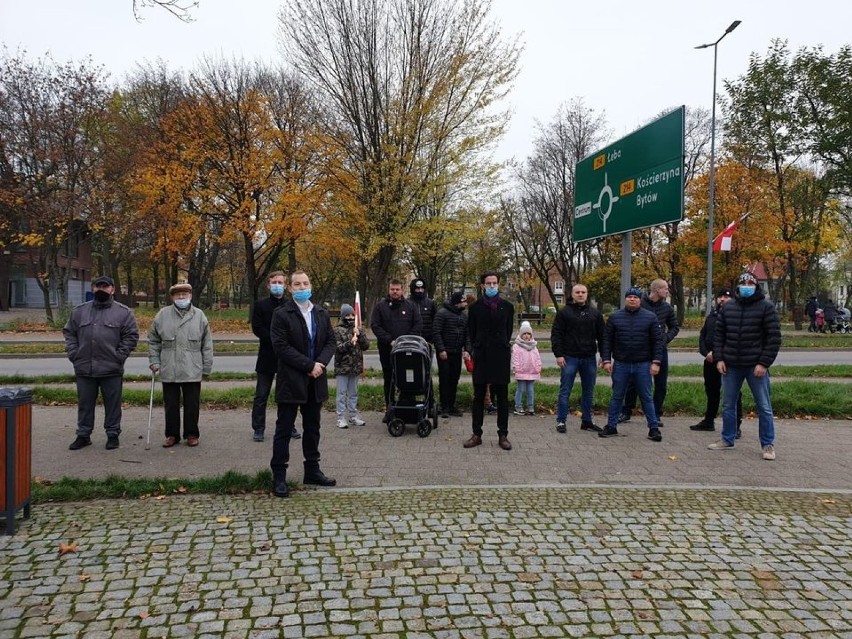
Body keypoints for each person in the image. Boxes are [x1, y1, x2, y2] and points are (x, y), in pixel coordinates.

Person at [269, 269, 337, 497]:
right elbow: (280, 346)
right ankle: (279, 476)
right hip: (292, 381)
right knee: (284, 429)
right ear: (290, 288)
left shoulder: (320, 312)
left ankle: (312, 470)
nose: (302, 287)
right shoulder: (282, 314)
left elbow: (330, 340)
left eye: (305, 283)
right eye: (297, 284)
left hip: (315, 381)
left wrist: (320, 363)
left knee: (313, 428)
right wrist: (309, 365)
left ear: (311, 286)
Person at [709, 271, 781, 460]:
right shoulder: (728, 307)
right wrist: (720, 358)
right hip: (731, 365)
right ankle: (727, 438)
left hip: (755, 366)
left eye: (750, 283)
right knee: (728, 405)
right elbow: (719, 336)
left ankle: (767, 445)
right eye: (744, 283)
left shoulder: (766, 307)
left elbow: (773, 338)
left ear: (756, 286)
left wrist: (763, 363)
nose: (746, 286)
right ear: (738, 286)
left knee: (764, 406)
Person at [63, 275, 139, 451]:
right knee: (85, 404)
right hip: (84, 368)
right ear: (93, 288)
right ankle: (83, 435)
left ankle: (112, 435)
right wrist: (74, 354)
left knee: (113, 405)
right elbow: (69, 333)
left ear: (112, 289)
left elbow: (131, 336)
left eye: (105, 287)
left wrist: (119, 356)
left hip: (111, 368)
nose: (102, 290)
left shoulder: (123, 312)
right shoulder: (79, 311)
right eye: (98, 287)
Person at [148, 282, 214, 448]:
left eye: (185, 294)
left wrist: (207, 367)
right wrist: (154, 361)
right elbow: (154, 341)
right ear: (172, 297)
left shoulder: (199, 315)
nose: (181, 297)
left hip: (192, 368)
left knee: (192, 404)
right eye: (178, 295)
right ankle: (172, 435)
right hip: (169, 367)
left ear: (190, 296)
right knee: (170, 405)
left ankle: (191, 434)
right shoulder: (162, 315)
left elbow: (207, 344)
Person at [599, 287, 664, 442]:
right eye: (629, 297)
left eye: (635, 297)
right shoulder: (615, 317)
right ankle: (611, 426)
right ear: (625, 299)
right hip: (621, 364)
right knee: (617, 396)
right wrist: (606, 360)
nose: (632, 299)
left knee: (646, 397)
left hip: (643, 364)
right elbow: (606, 341)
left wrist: (656, 362)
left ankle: (653, 428)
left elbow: (657, 341)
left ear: (640, 299)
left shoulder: (650, 317)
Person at [463, 272, 515, 451]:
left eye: (494, 283)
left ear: (499, 285)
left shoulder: (507, 307)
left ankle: (503, 435)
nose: (492, 286)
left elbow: (508, 331)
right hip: (481, 355)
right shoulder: (475, 307)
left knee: (501, 397)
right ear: (482, 286)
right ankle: (476, 434)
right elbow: (471, 331)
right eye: (488, 283)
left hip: (500, 355)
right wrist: (470, 350)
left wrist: (500, 343)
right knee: (478, 397)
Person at [250, 271, 301, 443]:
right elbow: (257, 328)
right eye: (274, 282)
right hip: (267, 356)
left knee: (287, 395)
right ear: (268, 285)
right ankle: (258, 428)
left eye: (280, 282)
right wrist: (276, 340)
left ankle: (289, 426)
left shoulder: (291, 305)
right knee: (261, 395)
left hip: (286, 358)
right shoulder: (260, 305)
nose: (277, 285)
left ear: (286, 286)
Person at [620, 279, 679, 426]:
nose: (667, 291)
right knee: (633, 382)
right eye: (665, 288)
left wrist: (665, 339)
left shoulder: (667, 308)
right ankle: (626, 411)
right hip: (642, 350)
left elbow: (674, 327)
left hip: (660, 350)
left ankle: (655, 414)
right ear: (657, 290)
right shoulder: (641, 303)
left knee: (661, 384)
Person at [551, 283, 605, 434]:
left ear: (587, 294)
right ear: (572, 294)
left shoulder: (595, 313)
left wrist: (604, 355)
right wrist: (559, 354)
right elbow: (557, 334)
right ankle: (561, 420)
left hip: (589, 358)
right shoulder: (564, 313)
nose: (580, 294)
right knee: (565, 390)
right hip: (569, 357)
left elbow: (602, 336)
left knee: (588, 391)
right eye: (577, 292)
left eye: (583, 292)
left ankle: (587, 420)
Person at [690, 288, 743, 436]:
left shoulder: (736, 316)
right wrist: (705, 352)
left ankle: (735, 426)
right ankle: (709, 420)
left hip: (728, 361)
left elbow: (734, 338)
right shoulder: (712, 316)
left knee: (733, 394)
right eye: (720, 297)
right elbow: (703, 335)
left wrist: (719, 354)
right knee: (711, 391)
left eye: (726, 297)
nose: (722, 299)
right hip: (710, 360)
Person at [370, 278, 422, 421]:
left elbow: (418, 324)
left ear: (402, 290)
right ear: (389, 290)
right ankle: (389, 408)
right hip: (387, 349)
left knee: (407, 377)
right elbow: (375, 326)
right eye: (392, 289)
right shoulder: (381, 307)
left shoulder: (410, 306)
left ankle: (407, 406)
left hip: (407, 349)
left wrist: (407, 340)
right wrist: (389, 340)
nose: (395, 292)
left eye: (397, 289)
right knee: (389, 378)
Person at [333, 303, 370, 428]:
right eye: (347, 315)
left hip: (355, 367)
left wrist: (359, 335)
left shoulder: (358, 329)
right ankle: (341, 417)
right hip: (342, 367)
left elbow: (366, 346)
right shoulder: (338, 330)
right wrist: (350, 342)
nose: (350, 317)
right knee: (341, 393)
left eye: (352, 314)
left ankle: (353, 416)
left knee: (353, 393)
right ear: (343, 316)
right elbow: (338, 348)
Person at [432, 291, 469, 418]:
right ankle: (444, 406)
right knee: (445, 379)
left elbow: (467, 335)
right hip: (444, 353)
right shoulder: (442, 314)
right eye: (463, 301)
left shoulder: (464, 316)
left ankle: (451, 405)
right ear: (457, 302)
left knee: (454, 379)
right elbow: (436, 332)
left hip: (457, 352)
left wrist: (466, 350)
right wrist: (441, 349)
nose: (465, 304)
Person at [511, 321, 542, 416]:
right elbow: (515, 358)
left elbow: (537, 358)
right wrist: (516, 368)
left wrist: (538, 367)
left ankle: (530, 406)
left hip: (532, 371)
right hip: (521, 371)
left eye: (528, 333)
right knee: (520, 389)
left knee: (530, 390)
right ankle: (518, 406)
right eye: (524, 333)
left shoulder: (534, 346)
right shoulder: (516, 346)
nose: (526, 335)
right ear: (520, 335)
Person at [409, 278, 436, 346]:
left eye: (422, 288)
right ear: (413, 289)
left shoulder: (430, 303)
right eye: (417, 289)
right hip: (411, 339)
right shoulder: (407, 303)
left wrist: (433, 337)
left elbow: (435, 321)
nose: (420, 291)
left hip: (427, 340)